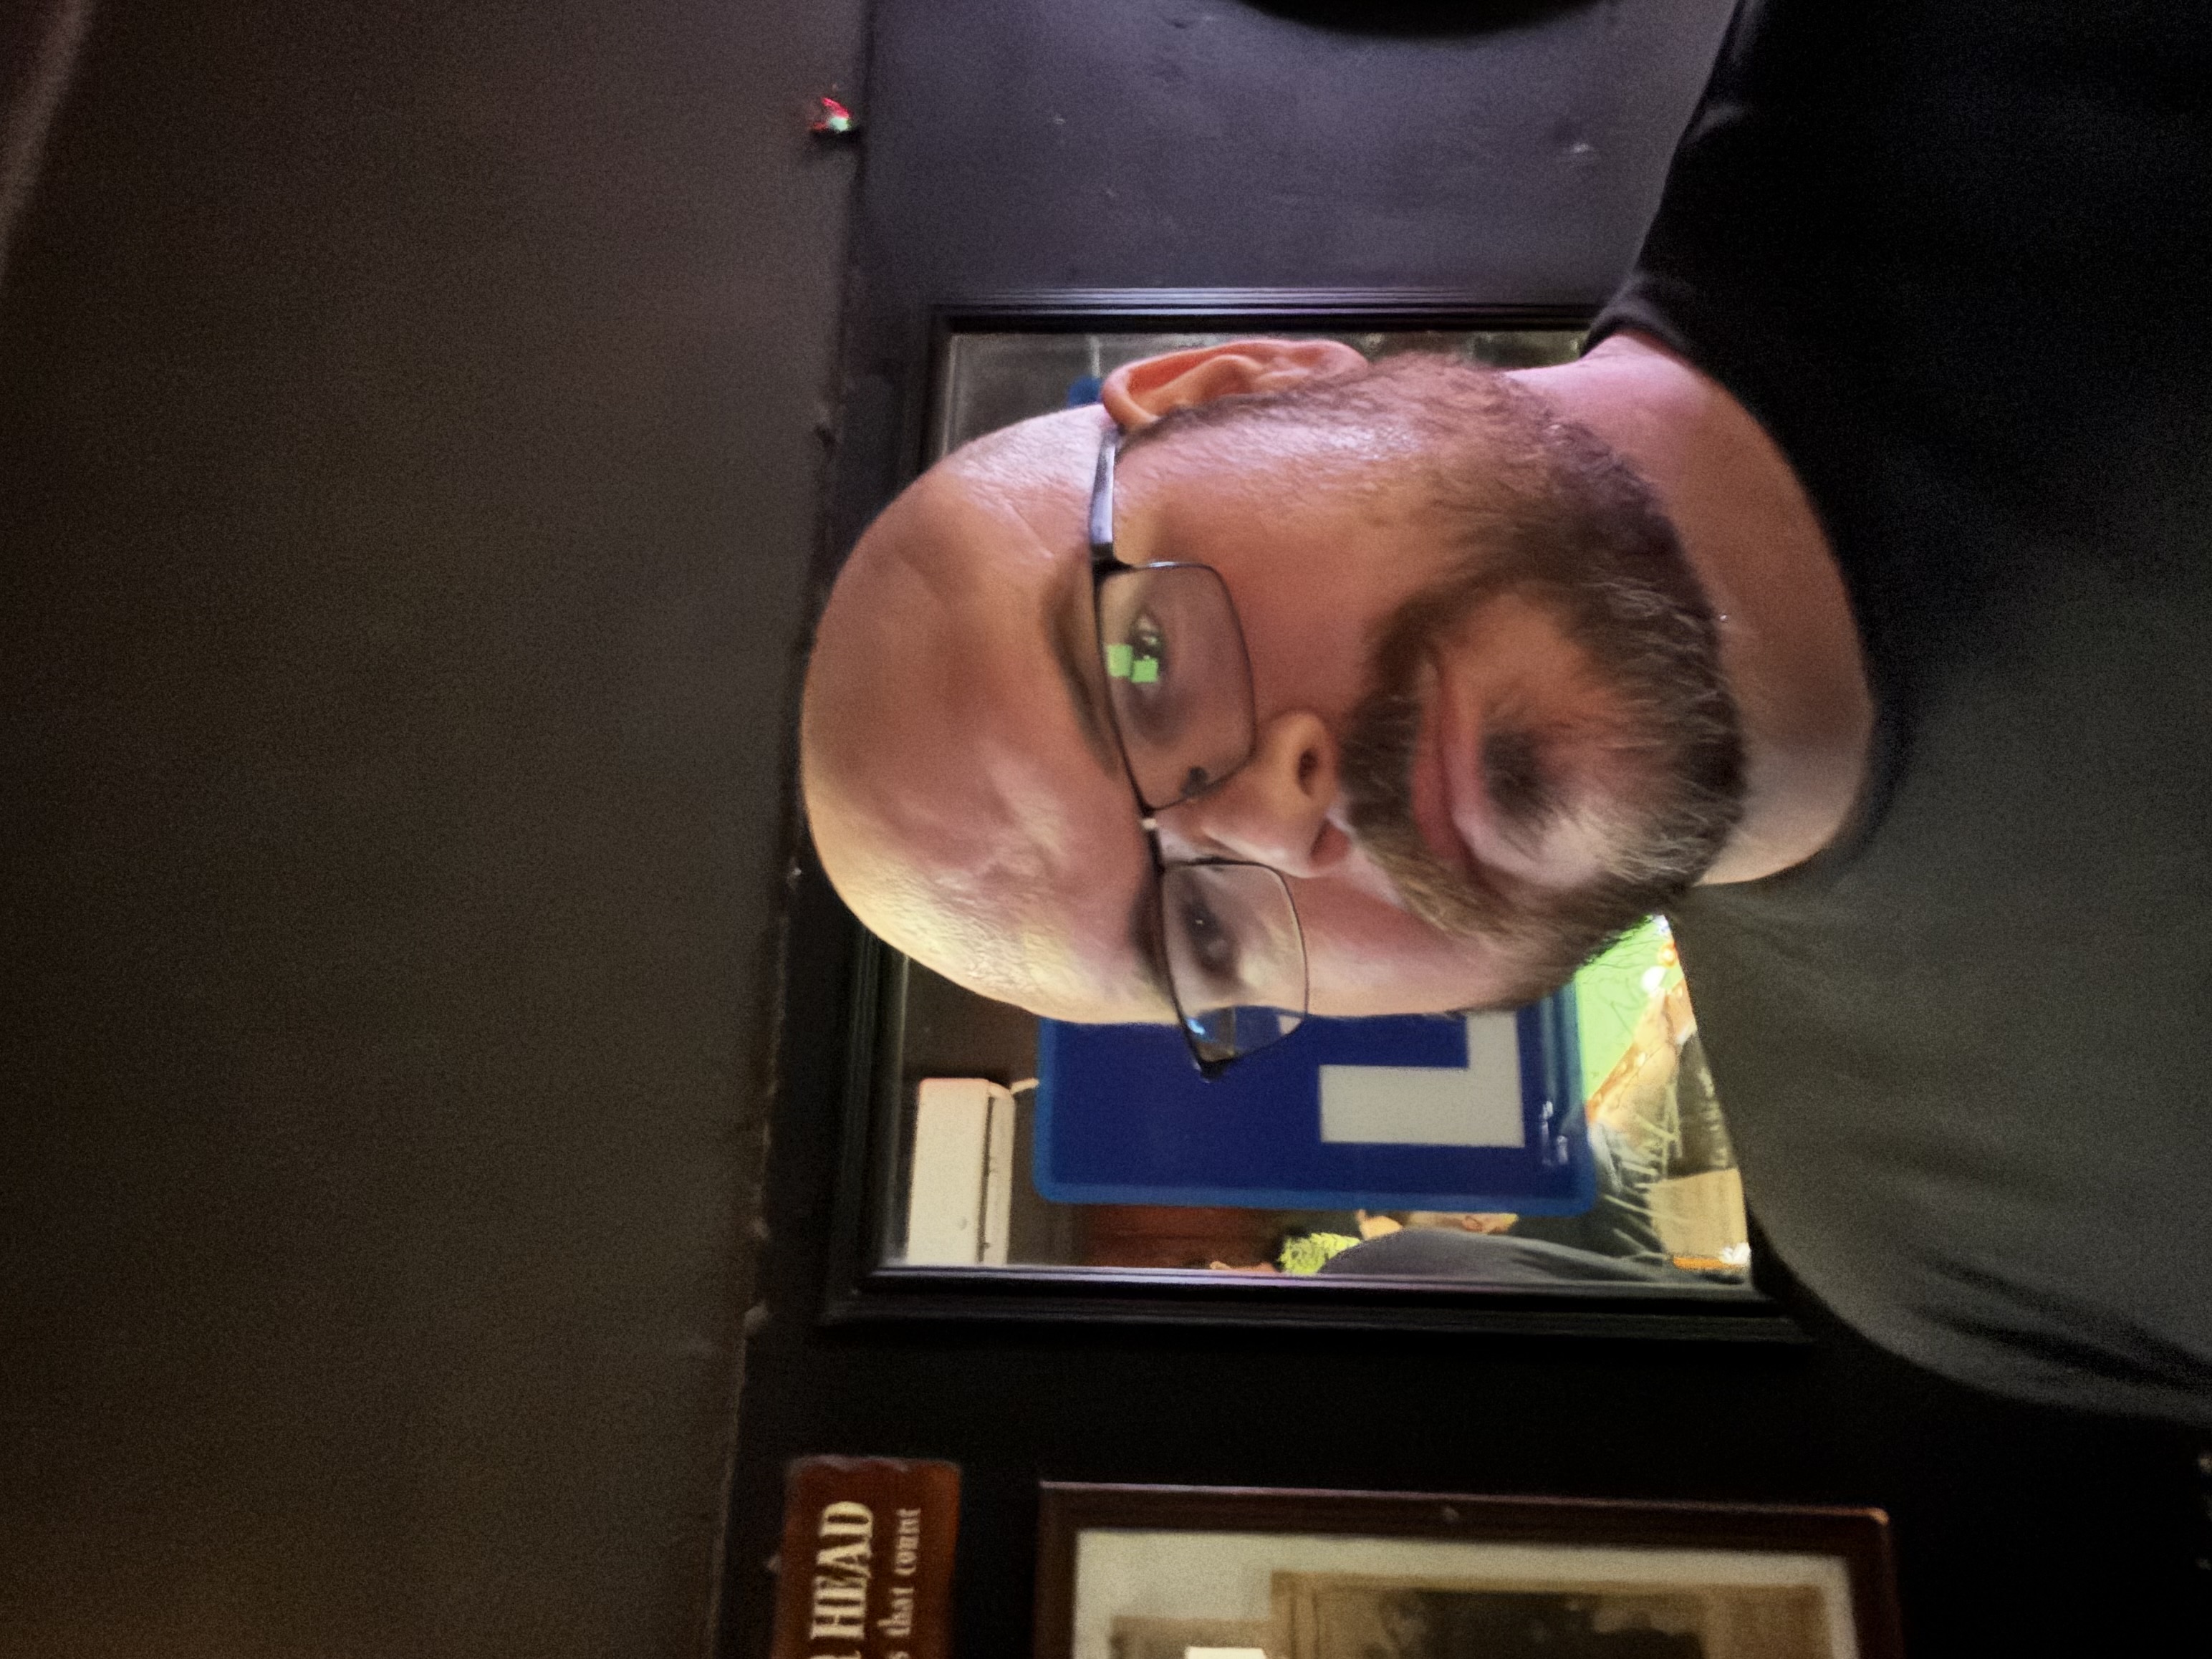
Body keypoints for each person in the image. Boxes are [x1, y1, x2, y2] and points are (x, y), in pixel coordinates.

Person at [802, 0, 2212, 1427]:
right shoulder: (1931, 1252)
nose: (1269, 828)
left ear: (1241, 384)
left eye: (1146, 665)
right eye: (1201, 931)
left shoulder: (1964, 70)